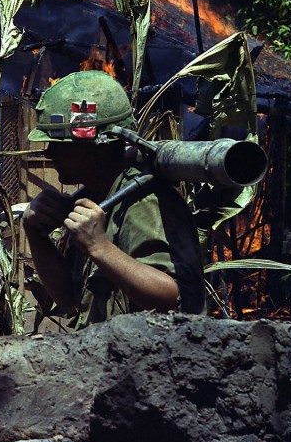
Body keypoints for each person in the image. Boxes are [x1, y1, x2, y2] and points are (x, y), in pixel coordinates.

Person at [21, 71, 205, 327]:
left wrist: (100, 247)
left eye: (62, 144)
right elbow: (67, 298)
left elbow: (169, 297)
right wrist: (35, 234)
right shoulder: (97, 198)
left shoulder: (143, 201)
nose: (51, 153)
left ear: (100, 146)